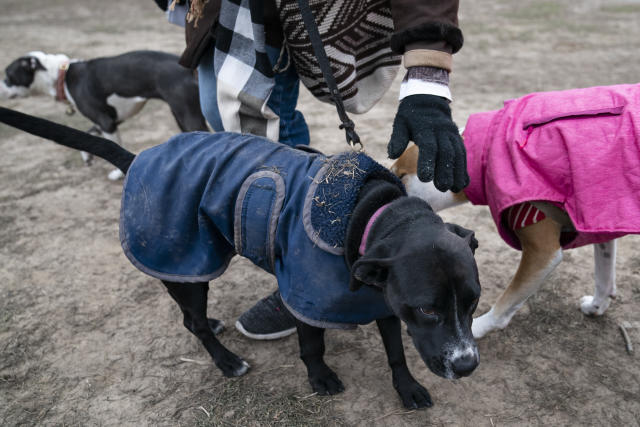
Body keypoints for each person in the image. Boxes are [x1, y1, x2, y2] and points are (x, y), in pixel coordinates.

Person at [153, 0, 468, 339]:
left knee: (268, 117)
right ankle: (300, 251)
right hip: (222, 11)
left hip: (296, 11)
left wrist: (427, 80)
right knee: (222, 113)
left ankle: (307, 263)